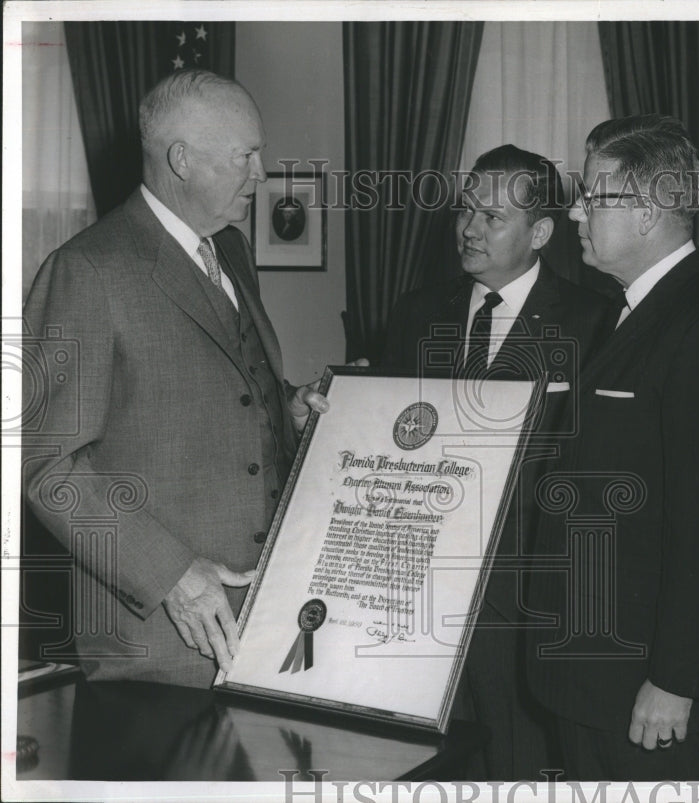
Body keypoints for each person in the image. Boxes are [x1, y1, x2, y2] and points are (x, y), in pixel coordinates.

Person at [22, 69, 328, 688]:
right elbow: (44, 467)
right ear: (182, 160)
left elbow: (231, 390)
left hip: (267, 618)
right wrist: (173, 575)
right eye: (246, 154)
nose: (262, 172)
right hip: (158, 635)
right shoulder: (86, 270)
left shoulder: (233, 251)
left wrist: (286, 406)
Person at [525, 115, 699, 780]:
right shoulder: (626, 312)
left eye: (593, 196)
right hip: (595, 679)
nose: (576, 211)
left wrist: (676, 678)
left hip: (648, 696)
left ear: (651, 210)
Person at [381, 144, 609, 779]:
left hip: (525, 605)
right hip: (420, 599)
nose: (470, 230)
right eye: (466, 211)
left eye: (493, 218)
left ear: (540, 233)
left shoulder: (596, 323)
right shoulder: (415, 313)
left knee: (519, 766)